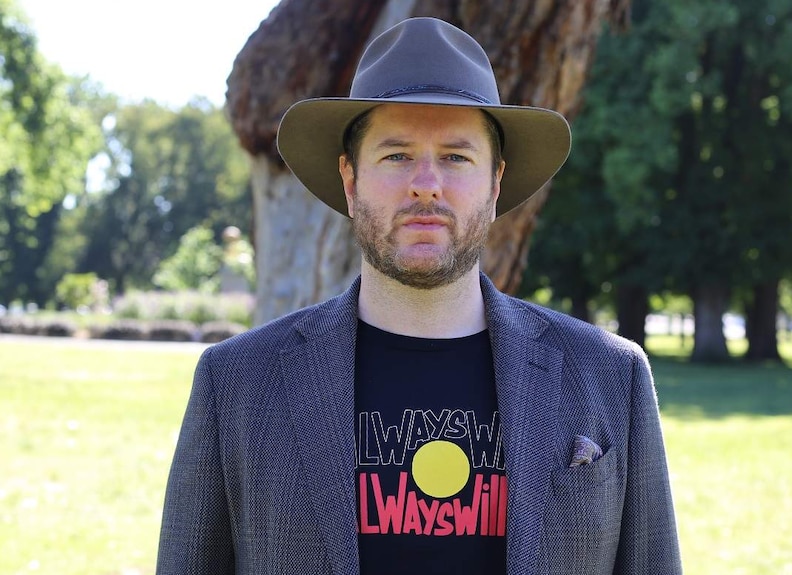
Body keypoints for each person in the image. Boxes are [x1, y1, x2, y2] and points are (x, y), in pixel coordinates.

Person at [156, 17, 682, 575]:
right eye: (397, 154)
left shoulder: (608, 377)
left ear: (496, 182)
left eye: (456, 157)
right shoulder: (238, 383)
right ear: (350, 180)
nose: (426, 183)